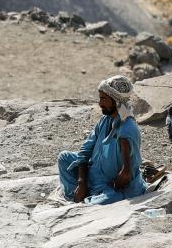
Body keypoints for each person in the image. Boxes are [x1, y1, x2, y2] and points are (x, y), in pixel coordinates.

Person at [58, 76, 146, 205]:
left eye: (103, 99)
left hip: (110, 187)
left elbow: (126, 175)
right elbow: (85, 150)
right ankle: (82, 194)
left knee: (102, 202)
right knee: (64, 157)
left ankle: (86, 198)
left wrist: (113, 186)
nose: (100, 104)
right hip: (93, 174)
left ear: (116, 101)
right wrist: (82, 182)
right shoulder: (105, 120)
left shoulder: (127, 130)